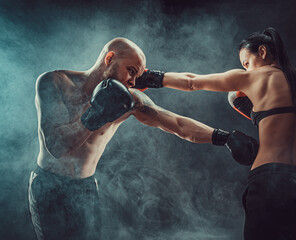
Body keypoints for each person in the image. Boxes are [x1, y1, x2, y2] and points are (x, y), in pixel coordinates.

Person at [28, 37, 257, 240]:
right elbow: (56, 146)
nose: (133, 81)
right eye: (131, 71)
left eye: (138, 75)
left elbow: (177, 124)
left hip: (85, 187)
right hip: (50, 185)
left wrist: (223, 137)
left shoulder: (130, 100)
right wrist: (96, 114)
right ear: (109, 58)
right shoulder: (55, 82)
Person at [133, 27, 296, 240]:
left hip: (271, 181)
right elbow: (288, 120)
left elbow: (192, 82)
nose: (246, 69)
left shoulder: (252, 78)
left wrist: (150, 77)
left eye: (246, 63)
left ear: (262, 52)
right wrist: (254, 111)